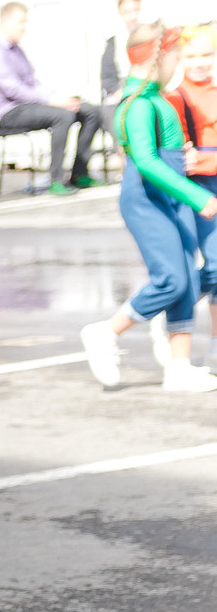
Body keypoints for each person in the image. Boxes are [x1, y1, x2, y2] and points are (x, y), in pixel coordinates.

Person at [80, 25, 217, 394]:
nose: (178, 65)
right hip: (147, 202)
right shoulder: (137, 104)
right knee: (172, 280)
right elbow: (145, 161)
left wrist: (185, 159)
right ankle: (105, 332)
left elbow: (166, 153)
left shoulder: (156, 99)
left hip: (171, 198)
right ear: (160, 58)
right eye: (175, 57)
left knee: (188, 281)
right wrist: (198, 196)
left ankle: (179, 368)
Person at [0, 2, 104, 195]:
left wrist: (59, 97)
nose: (24, 27)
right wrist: (52, 102)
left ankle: (80, 174)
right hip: (6, 113)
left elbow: (32, 84)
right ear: (5, 22)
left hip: (27, 106)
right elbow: (13, 90)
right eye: (20, 22)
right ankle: (57, 180)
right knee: (62, 115)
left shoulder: (16, 51)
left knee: (90, 111)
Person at [168, 28, 217, 361]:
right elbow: (183, 155)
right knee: (215, 264)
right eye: (191, 56)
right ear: (180, 59)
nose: (199, 62)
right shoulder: (176, 98)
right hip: (200, 188)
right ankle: (169, 304)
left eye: (206, 55)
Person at [101, 0, 143, 103]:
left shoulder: (151, 37)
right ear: (120, 13)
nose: (132, 16)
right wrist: (118, 91)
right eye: (127, 12)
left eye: (136, 10)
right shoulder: (114, 42)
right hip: (121, 90)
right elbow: (108, 77)